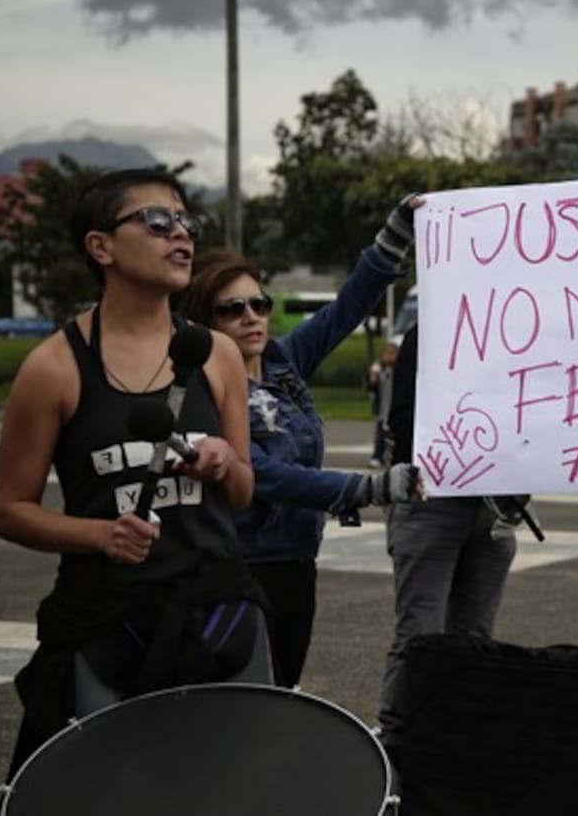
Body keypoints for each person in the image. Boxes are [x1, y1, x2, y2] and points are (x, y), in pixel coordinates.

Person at [0, 168, 258, 776]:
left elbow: (243, 492)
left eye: (187, 221)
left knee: (234, 788)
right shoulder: (53, 367)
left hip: (220, 612)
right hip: (107, 621)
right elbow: (10, 509)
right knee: (104, 791)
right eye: (157, 221)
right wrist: (100, 535)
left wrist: (224, 463)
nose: (181, 235)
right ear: (100, 246)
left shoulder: (214, 353)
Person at [180, 197, 422, 688]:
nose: (251, 317)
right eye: (232, 309)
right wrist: (365, 488)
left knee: (283, 692)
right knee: (239, 701)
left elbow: (346, 309)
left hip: (296, 562)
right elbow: (262, 472)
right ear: (204, 321)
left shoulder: (282, 361)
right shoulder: (201, 387)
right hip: (239, 568)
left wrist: (393, 238)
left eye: (259, 304)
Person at [378, 321, 522, 751]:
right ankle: (397, 746)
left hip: (495, 506)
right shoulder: (430, 332)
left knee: (476, 636)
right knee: (420, 638)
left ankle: (459, 739)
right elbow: (402, 420)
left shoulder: (523, 337)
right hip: (432, 502)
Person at [368, 340, 400, 466]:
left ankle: (391, 457)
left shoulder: (399, 371)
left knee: (394, 436)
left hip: (394, 409)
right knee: (380, 435)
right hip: (382, 409)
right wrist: (372, 377)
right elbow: (371, 386)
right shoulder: (379, 370)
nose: (390, 356)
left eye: (393, 353)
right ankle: (377, 456)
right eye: (387, 353)